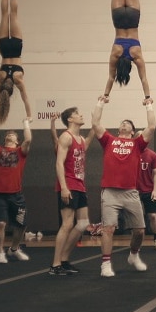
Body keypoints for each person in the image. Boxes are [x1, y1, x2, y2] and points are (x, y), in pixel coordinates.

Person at [92, 96, 156, 277]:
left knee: (140, 231)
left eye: (127, 123)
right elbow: (95, 122)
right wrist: (100, 103)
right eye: (122, 122)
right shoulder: (109, 141)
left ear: (133, 130)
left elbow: (151, 127)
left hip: (130, 192)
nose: (124, 124)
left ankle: (134, 255)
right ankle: (105, 264)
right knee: (108, 228)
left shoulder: (137, 144)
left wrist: (149, 106)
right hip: (110, 192)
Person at [103, 0, 151, 103]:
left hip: (132, 18)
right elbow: (111, 77)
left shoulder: (136, 55)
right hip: (118, 18)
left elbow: (144, 79)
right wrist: (106, 95)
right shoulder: (115, 55)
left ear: (130, 67)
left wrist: (148, 97)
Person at [0, 117, 32, 264]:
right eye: (7, 134)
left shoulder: (20, 151)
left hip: (16, 195)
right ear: (5, 140)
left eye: (13, 134)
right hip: (0, 195)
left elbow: (28, 140)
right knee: (1, 224)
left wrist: (26, 123)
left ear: (17, 140)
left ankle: (14, 249)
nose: (10, 134)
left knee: (22, 224)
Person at [50, 107, 94, 275]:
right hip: (68, 185)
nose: (81, 115)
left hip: (80, 185)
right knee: (67, 224)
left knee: (83, 224)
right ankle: (55, 265)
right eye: (77, 114)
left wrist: (96, 119)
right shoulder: (65, 137)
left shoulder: (81, 139)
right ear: (70, 119)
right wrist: (63, 187)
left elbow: (89, 139)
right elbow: (59, 163)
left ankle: (64, 259)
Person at [0, 0, 32, 124]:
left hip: (16, 48)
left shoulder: (18, 79)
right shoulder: (0, 80)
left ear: (11, 90)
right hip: (4, 48)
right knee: (4, 16)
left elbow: (25, 99)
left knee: (13, 15)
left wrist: (29, 116)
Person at [137, 145, 156, 251]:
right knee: (136, 219)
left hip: (149, 191)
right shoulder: (131, 154)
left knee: (153, 216)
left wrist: (155, 190)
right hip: (134, 192)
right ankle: (136, 243)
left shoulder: (152, 155)